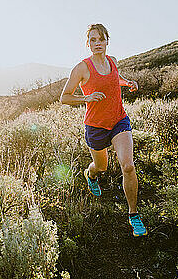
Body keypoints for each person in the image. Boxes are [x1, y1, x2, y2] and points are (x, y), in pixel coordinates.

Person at [59, 23, 147, 237]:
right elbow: (64, 97)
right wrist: (86, 97)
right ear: (87, 43)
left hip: (119, 120)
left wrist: (128, 83)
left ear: (107, 40)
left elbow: (115, 78)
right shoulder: (81, 68)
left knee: (128, 166)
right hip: (96, 126)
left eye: (101, 39)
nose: (97, 43)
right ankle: (90, 176)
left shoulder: (112, 61)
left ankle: (133, 215)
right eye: (92, 40)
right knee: (101, 167)